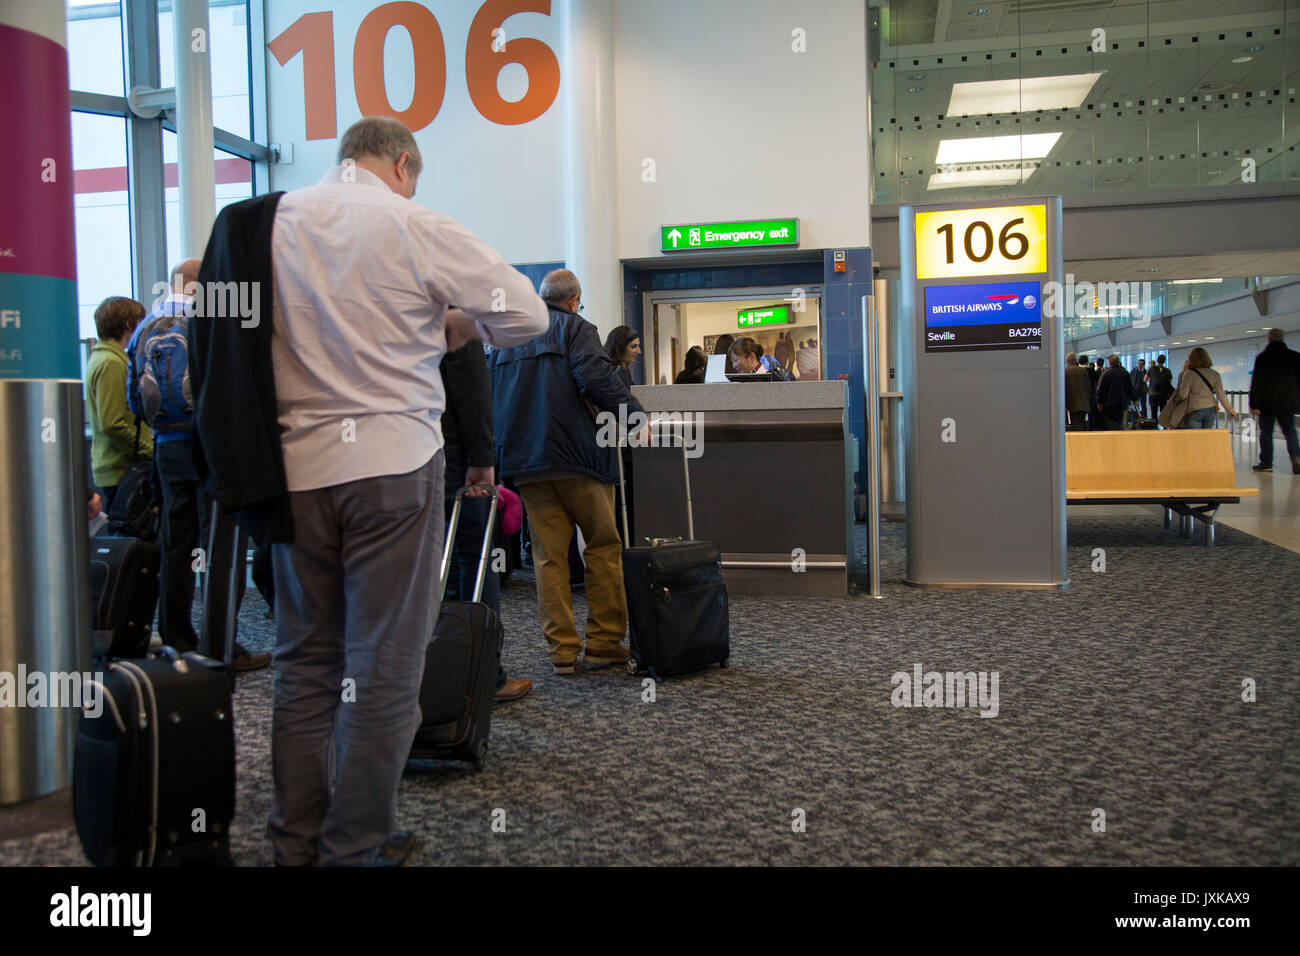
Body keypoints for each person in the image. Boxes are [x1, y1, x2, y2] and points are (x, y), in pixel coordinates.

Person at [193, 116, 549, 868]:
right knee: (384, 667)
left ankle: (295, 844)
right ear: (403, 163)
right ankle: (354, 846)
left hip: (292, 473)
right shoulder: (414, 222)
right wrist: (454, 327)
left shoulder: (268, 223)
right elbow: (527, 311)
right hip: (392, 466)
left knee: (305, 665)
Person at [491, 268, 648, 676]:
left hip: (528, 464)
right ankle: (603, 643)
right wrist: (634, 417)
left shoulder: (509, 337)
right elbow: (596, 378)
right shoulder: (577, 328)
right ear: (575, 300)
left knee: (548, 558)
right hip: (579, 459)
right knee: (601, 547)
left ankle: (561, 652)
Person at [127, 261, 268, 672]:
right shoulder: (208, 320)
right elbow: (233, 386)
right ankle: (219, 647)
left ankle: (176, 640)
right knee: (220, 548)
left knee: (177, 545)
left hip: (166, 448)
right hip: (212, 447)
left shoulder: (145, 326)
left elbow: (134, 399)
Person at [440, 340, 531, 702]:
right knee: (475, 562)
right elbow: (472, 387)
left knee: (428, 569)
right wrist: (481, 457)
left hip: (401, 452)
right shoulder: (452, 302)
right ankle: (484, 676)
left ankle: (435, 674)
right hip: (455, 455)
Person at [86, 297, 152, 513]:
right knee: (137, 540)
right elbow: (113, 422)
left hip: (118, 466)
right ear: (127, 325)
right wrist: (149, 451)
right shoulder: (111, 363)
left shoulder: (103, 358)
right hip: (122, 468)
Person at [1248, 328, 1300, 473]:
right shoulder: (1295, 357)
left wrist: (1254, 404)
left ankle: (1266, 463)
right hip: (1288, 402)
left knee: (1266, 432)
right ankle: (1296, 456)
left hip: (1267, 402)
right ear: (1283, 339)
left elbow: (1257, 382)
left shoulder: (1263, 357)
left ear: (1269, 339)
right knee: (1290, 431)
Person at [1174, 347, 1237, 429]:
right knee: (1205, 438)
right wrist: (1231, 410)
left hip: (1194, 409)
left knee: (1195, 438)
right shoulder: (1215, 374)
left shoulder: (1189, 374)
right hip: (1210, 410)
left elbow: (1183, 395)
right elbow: (1221, 395)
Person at [1095, 354, 1135, 430]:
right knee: (1121, 420)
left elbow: (1101, 389)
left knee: (1110, 422)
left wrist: (1099, 402)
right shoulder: (1125, 373)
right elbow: (1130, 387)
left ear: (1110, 363)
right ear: (1118, 362)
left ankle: (1113, 435)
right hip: (1122, 402)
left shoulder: (1106, 373)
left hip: (1109, 403)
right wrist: (1133, 398)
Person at [604, 325, 641, 390]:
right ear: (620, 348)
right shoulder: (621, 372)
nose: (639, 351)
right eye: (633, 346)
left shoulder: (607, 370)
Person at [1064, 352, 1092, 430]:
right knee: (1081, 423)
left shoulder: (1065, 371)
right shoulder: (1083, 370)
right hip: (1083, 402)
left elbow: (1064, 388)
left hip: (1071, 402)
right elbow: (1088, 386)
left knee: (1073, 424)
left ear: (1068, 361)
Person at [1147, 354, 1174, 422]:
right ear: (1164, 361)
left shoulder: (1151, 369)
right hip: (1163, 393)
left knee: (1154, 411)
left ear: (1157, 360)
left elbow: (1144, 379)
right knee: (1163, 410)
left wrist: (1150, 380)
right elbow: (1169, 382)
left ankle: (1154, 425)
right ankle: (1164, 424)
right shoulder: (1167, 370)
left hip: (1153, 393)